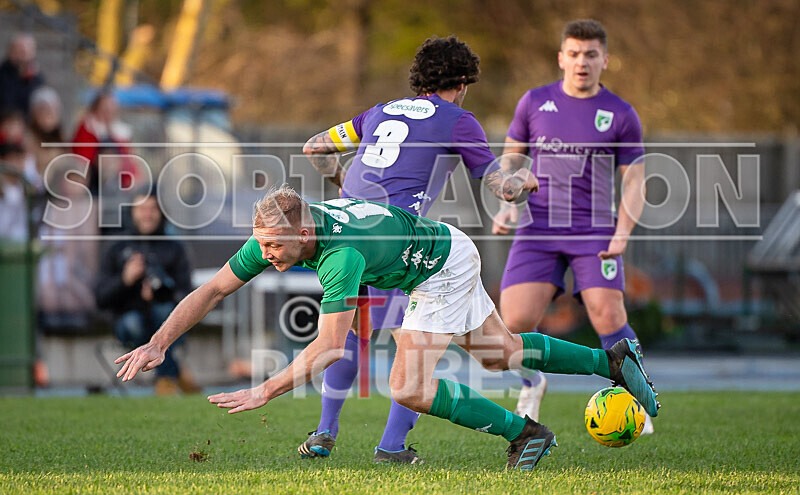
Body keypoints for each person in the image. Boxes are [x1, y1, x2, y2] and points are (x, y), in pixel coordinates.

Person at [114, 187, 660, 471]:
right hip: (445, 246)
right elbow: (212, 290)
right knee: (501, 353)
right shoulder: (280, 235)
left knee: (407, 387)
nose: (267, 255)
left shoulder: (338, 258)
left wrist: (264, 390)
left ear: (305, 232)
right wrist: (158, 343)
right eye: (262, 245)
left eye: (276, 246)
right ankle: (609, 362)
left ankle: (525, 435)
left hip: (438, 267)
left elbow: (330, 346)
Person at [299, 36, 522, 463]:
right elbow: (501, 185)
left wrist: (343, 186)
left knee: (351, 333)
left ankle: (325, 431)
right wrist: (524, 181)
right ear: (462, 81)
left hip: (347, 232)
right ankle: (391, 446)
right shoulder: (458, 119)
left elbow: (315, 147)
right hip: (398, 243)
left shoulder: (379, 111)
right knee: (416, 348)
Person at [493, 20, 652, 432]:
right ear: (562, 57)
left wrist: (622, 232)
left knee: (606, 313)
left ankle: (636, 399)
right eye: (575, 54)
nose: (582, 62)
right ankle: (533, 380)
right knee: (513, 322)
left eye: (591, 54)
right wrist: (510, 201)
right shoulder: (534, 102)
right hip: (538, 227)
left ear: (605, 60)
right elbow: (511, 160)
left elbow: (635, 179)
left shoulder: (620, 113)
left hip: (594, 231)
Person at [95, 193, 200, 395]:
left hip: (166, 321)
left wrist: (161, 294)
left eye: (152, 208)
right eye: (142, 209)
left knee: (164, 313)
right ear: (132, 212)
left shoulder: (174, 248)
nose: (147, 214)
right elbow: (101, 298)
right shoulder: (117, 248)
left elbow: (187, 294)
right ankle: (172, 374)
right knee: (134, 323)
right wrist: (125, 280)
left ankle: (167, 378)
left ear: (161, 213)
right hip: (126, 322)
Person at [0, 33, 45, 118]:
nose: (23, 56)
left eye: (27, 52)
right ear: (10, 52)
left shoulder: (37, 78)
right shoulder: (2, 75)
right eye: (20, 51)